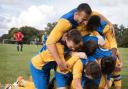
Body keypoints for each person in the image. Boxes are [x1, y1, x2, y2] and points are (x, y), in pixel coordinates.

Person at [46, 3, 113, 72]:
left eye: (87, 20)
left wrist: (109, 23)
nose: (86, 23)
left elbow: (97, 14)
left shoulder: (85, 13)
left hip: (70, 42)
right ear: (76, 14)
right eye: (83, 19)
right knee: (52, 64)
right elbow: (50, 42)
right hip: (59, 44)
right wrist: (59, 62)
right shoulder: (65, 23)